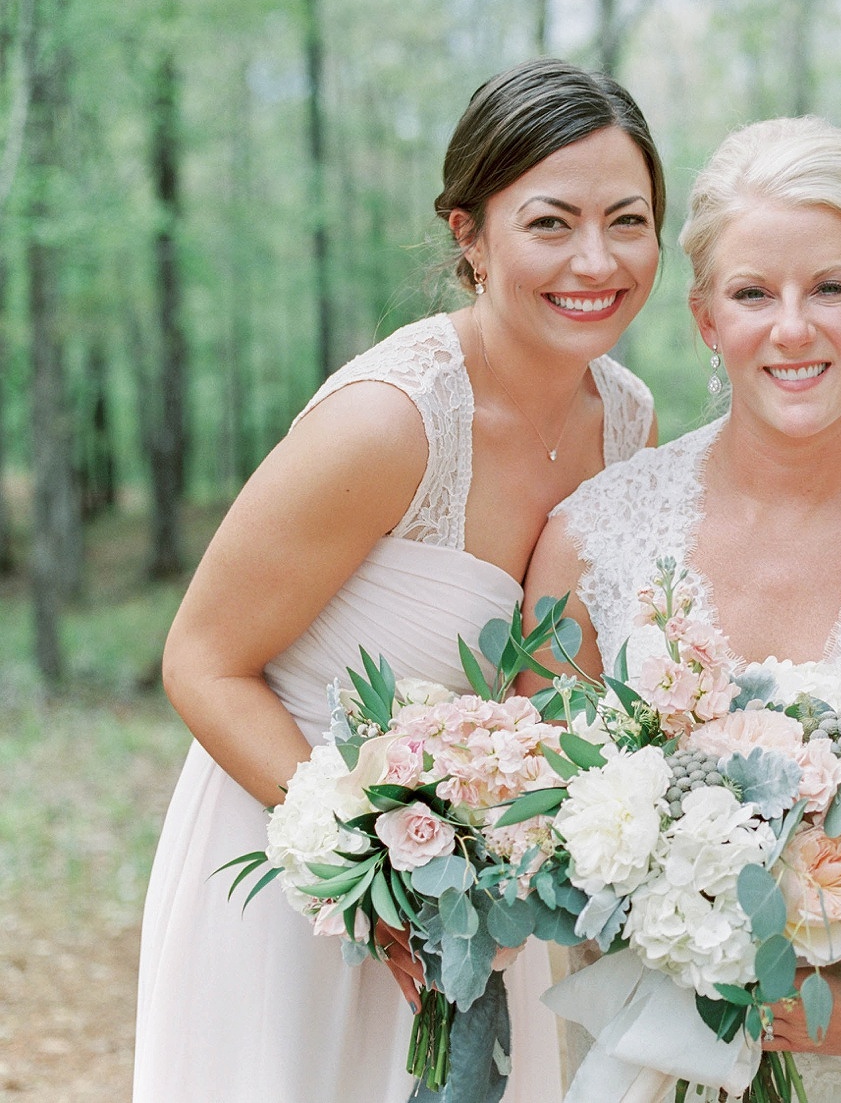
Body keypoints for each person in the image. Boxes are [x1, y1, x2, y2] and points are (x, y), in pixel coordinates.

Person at [134, 57, 665, 1103]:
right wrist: (366, 870)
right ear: (469, 234)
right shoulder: (391, 420)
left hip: (473, 904)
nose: (596, 260)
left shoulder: (630, 420)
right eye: (550, 222)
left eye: (629, 220)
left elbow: (559, 690)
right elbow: (202, 661)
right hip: (289, 868)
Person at [522, 116, 841, 1101]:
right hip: (636, 1060)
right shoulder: (594, 540)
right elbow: (533, 833)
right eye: (753, 293)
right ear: (705, 318)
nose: (792, 327)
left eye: (832, 288)